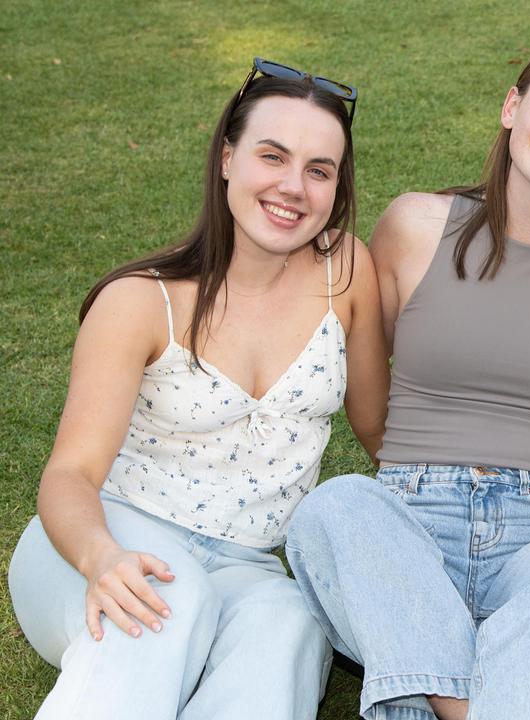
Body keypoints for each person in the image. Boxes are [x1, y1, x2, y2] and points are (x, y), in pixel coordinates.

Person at [283, 36, 530, 720]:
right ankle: (473, 696)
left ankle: (423, 689)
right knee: (333, 508)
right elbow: (364, 379)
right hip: (407, 506)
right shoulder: (414, 225)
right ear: (512, 108)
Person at [7, 58, 387, 719]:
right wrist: (102, 558)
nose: (294, 187)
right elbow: (69, 475)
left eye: (319, 170)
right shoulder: (139, 302)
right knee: (170, 599)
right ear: (228, 157)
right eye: (274, 156)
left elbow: (382, 431)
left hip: (249, 567)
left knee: (290, 625)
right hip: (99, 541)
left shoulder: (346, 272)